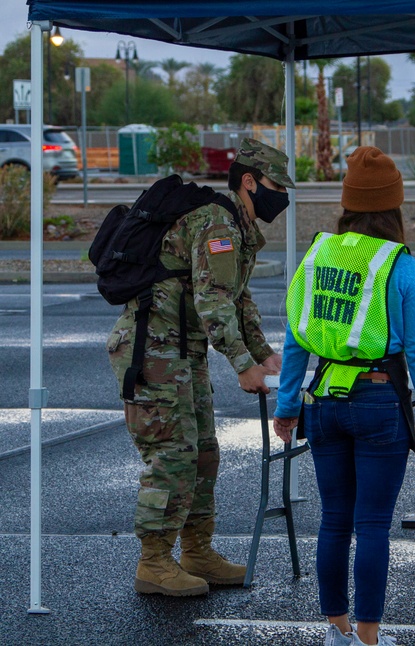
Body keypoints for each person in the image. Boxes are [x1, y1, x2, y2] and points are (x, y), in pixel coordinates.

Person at [272, 146, 415, 646]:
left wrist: (288, 407)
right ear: (393, 208)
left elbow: (295, 340)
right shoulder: (400, 265)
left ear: (347, 204)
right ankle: (370, 639)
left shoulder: (316, 256)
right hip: (378, 400)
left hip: (322, 401)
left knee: (334, 520)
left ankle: (337, 631)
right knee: (372, 523)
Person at [107, 138, 294, 596]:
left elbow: (235, 297)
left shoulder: (236, 224)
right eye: (275, 186)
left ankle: (197, 551)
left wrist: (263, 354)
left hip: (182, 350)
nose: (281, 198)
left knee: (205, 452)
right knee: (172, 454)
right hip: (151, 349)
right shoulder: (217, 223)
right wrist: (242, 365)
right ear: (249, 182)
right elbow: (214, 303)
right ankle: (153, 561)